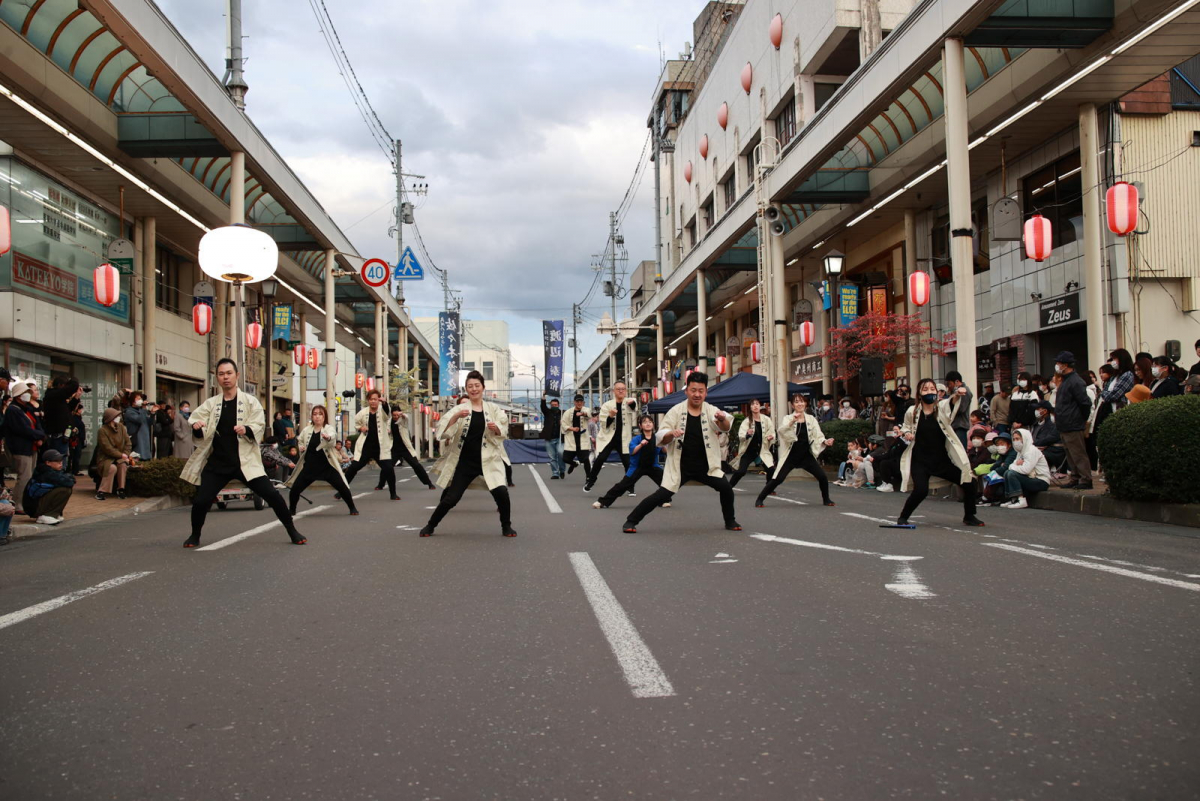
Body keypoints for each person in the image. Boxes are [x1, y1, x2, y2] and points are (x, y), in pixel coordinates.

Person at [180, 359, 305, 548]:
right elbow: (199, 427)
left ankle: (292, 531)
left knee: (272, 495)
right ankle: (194, 535)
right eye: (221, 374)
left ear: (237, 375)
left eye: (229, 373)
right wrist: (197, 428)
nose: (225, 377)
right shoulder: (211, 404)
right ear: (217, 378)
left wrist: (246, 429)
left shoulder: (250, 401)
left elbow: (259, 425)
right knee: (201, 501)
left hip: (245, 462)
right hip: (218, 463)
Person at [619, 372, 739, 534]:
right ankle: (631, 520)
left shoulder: (711, 410)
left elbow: (725, 427)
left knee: (726, 488)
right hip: (681, 467)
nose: (697, 394)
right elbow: (661, 437)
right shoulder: (676, 411)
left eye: (701, 391)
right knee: (662, 495)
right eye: (693, 390)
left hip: (707, 467)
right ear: (687, 391)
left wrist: (722, 419)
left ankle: (730, 521)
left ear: (706, 392)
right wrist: (671, 434)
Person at [420, 370, 516, 537]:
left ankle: (506, 526)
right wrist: (456, 417)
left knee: (501, 492)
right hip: (466, 462)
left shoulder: (493, 409)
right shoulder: (460, 409)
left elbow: (503, 430)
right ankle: (430, 525)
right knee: (451, 498)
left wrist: (496, 428)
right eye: (470, 386)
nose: (474, 389)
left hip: (489, 459)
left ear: (483, 387)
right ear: (466, 389)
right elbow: (443, 432)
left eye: (477, 385)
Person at [893, 378, 983, 527]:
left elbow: (951, 403)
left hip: (941, 460)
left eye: (932, 389)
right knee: (921, 491)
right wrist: (907, 433)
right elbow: (906, 427)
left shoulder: (941, 408)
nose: (929, 392)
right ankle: (903, 517)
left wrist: (957, 394)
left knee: (969, 482)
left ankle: (969, 515)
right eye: (925, 389)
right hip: (920, 461)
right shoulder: (912, 411)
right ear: (919, 394)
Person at [755, 393, 835, 507]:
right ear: (792, 405)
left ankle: (826, 500)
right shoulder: (788, 418)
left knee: (822, 476)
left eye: (802, 401)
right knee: (778, 479)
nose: (800, 404)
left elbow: (818, 434)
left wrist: (825, 441)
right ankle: (760, 499)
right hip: (791, 455)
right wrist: (792, 421)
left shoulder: (811, 419)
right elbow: (781, 431)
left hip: (806, 455)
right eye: (796, 402)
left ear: (805, 403)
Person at [287, 405, 358, 516]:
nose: (317, 417)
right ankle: (292, 510)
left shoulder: (328, 428)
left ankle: (352, 508)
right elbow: (300, 440)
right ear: (312, 416)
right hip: (309, 467)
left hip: (326, 467)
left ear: (324, 416)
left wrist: (328, 437)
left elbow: (333, 437)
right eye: (315, 414)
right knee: (294, 490)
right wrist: (301, 447)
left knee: (342, 487)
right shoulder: (307, 430)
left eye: (320, 414)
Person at [593, 415, 666, 509]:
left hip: (653, 466)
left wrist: (665, 443)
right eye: (645, 422)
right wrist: (641, 445)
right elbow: (632, 451)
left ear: (653, 424)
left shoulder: (657, 438)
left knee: (666, 483)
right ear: (640, 426)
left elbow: (664, 451)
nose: (648, 424)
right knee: (622, 486)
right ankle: (603, 502)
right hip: (637, 467)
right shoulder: (637, 439)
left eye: (650, 422)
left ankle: (665, 500)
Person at [342, 390, 398, 500]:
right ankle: (341, 491)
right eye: (371, 399)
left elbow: (387, 415)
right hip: (366, 447)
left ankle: (393, 494)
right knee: (353, 468)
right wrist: (361, 428)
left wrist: (385, 403)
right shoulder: (363, 413)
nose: (373, 401)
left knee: (389, 469)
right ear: (368, 400)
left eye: (375, 399)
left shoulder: (382, 410)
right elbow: (356, 423)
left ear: (379, 400)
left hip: (380, 447)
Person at [584, 381, 639, 492]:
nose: (621, 391)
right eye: (618, 389)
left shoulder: (629, 401)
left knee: (627, 463)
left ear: (626, 390)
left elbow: (634, 407)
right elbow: (604, 424)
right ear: (614, 391)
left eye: (623, 389)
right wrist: (611, 416)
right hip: (609, 438)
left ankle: (630, 486)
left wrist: (632, 403)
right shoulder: (607, 405)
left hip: (623, 438)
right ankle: (591, 480)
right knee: (600, 459)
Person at [1051, 351, 1093, 490]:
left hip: (1073, 423)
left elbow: (1085, 403)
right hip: (1065, 423)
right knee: (1070, 453)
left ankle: (1085, 479)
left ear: (1065, 365)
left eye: (1059, 363)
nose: (1057, 365)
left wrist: (1082, 419)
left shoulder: (1075, 381)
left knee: (1078, 453)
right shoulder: (1066, 380)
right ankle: (1075, 477)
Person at [4, 380, 45, 516]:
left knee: (29, 476)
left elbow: (37, 424)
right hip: (21, 448)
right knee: (24, 476)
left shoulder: (27, 408)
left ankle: (25, 502)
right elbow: (23, 429)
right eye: (25, 392)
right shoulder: (13, 410)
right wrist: (39, 435)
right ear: (18, 396)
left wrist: (40, 436)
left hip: (32, 447)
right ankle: (18, 503)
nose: (28, 395)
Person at [383, 407, 435, 489]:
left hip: (405, 448)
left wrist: (402, 414)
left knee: (416, 465)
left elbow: (406, 417)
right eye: (394, 415)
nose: (396, 417)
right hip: (394, 449)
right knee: (387, 466)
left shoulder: (403, 420)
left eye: (397, 415)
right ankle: (380, 484)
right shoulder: (389, 422)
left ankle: (429, 483)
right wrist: (388, 431)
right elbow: (386, 429)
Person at [999, 428, 1051, 509]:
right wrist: (1015, 465)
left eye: (1018, 439)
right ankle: (1013, 499)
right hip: (1031, 478)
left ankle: (1021, 500)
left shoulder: (1031, 450)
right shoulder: (1021, 451)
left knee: (1011, 473)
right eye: (1014, 439)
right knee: (1007, 473)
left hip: (1041, 481)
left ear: (1025, 438)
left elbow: (1026, 470)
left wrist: (1014, 466)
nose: (1015, 441)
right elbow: (1013, 465)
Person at [728, 398, 775, 488]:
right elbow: (741, 435)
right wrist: (747, 434)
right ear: (750, 407)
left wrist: (771, 437)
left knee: (770, 469)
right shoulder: (747, 421)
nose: (755, 406)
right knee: (741, 471)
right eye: (753, 404)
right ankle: (729, 487)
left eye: (757, 404)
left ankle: (769, 488)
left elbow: (772, 432)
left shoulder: (766, 419)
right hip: (749, 451)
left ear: (760, 406)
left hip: (762, 450)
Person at [22, 449, 75, 525]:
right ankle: (48, 515)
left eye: (61, 461)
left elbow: (70, 479)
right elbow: (68, 482)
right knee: (64, 489)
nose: (60, 463)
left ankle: (53, 514)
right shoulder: (45, 472)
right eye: (57, 461)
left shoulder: (53, 471)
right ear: (48, 463)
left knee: (65, 488)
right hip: (34, 507)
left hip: (37, 504)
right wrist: (70, 479)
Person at [95, 407, 132, 500]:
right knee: (112, 468)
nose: (118, 418)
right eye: (116, 416)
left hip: (120, 457)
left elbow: (128, 443)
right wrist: (121, 455)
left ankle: (121, 489)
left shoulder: (121, 428)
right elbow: (107, 448)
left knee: (122, 465)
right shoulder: (102, 431)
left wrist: (125, 454)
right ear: (110, 418)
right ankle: (101, 491)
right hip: (105, 458)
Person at [41, 377, 79, 456]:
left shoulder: (58, 398)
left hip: (64, 434)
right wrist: (73, 381)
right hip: (57, 435)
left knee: (62, 459)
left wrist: (76, 398)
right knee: (58, 459)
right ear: (60, 385)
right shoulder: (53, 395)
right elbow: (73, 386)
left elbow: (67, 410)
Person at [561, 395, 592, 476]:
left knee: (585, 459)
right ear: (574, 402)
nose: (579, 403)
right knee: (565, 459)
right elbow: (563, 424)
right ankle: (574, 464)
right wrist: (572, 428)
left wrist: (582, 413)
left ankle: (589, 477)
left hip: (583, 439)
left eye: (581, 401)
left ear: (583, 402)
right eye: (577, 401)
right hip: (571, 439)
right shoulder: (568, 412)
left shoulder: (586, 409)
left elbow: (589, 414)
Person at [944, 370, 973, 448]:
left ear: (957, 382)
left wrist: (950, 404)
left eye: (949, 384)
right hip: (954, 426)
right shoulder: (955, 392)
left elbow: (961, 409)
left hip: (960, 426)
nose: (948, 386)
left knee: (959, 450)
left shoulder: (964, 391)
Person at [540, 394, 565, 479]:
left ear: (559, 405)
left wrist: (563, 423)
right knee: (552, 457)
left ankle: (562, 470)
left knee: (561, 454)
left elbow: (569, 421)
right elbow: (543, 406)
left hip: (560, 438)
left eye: (556, 405)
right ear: (550, 405)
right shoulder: (547, 412)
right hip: (549, 438)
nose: (554, 406)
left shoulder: (563, 413)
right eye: (552, 405)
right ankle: (555, 473)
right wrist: (543, 396)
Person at [122, 391, 152, 460]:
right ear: (133, 401)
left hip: (145, 439)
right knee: (138, 458)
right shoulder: (129, 412)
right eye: (138, 398)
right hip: (137, 439)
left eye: (140, 398)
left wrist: (152, 413)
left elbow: (150, 422)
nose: (140, 400)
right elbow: (139, 420)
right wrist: (144, 409)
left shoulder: (142, 411)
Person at [67, 398, 86, 475]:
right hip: (75, 439)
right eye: (81, 409)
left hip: (79, 439)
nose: (82, 410)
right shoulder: (74, 418)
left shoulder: (79, 418)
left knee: (77, 455)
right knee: (75, 455)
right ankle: (74, 470)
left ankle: (75, 470)